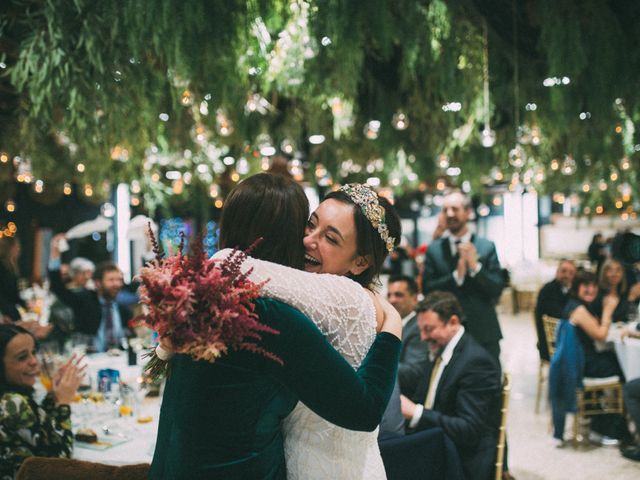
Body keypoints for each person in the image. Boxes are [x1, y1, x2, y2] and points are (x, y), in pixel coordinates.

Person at [150, 174, 402, 479]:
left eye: (330, 237)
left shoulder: (212, 300)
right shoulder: (262, 310)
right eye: (308, 225)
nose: (307, 240)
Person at [399, 291, 501, 480]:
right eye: (421, 330)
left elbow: (469, 430)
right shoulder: (440, 348)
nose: (422, 337)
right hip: (439, 441)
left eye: (428, 329)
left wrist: (415, 413)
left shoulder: (477, 363)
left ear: (453, 322)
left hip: (464, 458)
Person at [421, 190, 504, 361]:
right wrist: (455, 277)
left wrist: (475, 268)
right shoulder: (434, 250)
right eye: (445, 210)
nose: (449, 214)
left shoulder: (486, 247)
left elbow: (496, 289)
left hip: (483, 333)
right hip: (445, 333)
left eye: (455, 209)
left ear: (468, 212)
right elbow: (427, 289)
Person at [0, 324, 85, 478]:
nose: (34, 361)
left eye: (33, 352)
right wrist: (64, 403)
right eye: (22, 357)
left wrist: (54, 395)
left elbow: (42, 434)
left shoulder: (9, 397)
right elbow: (59, 461)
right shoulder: (12, 403)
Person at [49, 243, 131, 352]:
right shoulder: (84, 301)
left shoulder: (122, 308)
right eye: (111, 280)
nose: (117, 284)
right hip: (90, 358)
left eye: (119, 280)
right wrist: (55, 254)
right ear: (98, 283)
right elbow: (58, 288)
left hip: (118, 358)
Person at [387, 274, 429, 395]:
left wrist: (378, 361)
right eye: (389, 295)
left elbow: (412, 373)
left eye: (398, 295)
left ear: (415, 298)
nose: (392, 300)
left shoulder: (418, 327)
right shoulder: (393, 323)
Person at [534, 259, 576, 362]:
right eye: (564, 271)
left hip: (562, 340)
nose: (567, 275)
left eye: (571, 273)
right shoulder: (548, 290)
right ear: (557, 272)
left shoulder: (569, 290)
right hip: (551, 346)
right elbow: (560, 315)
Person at [596, 258, 640, 323]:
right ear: (604, 273)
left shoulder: (623, 292)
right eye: (610, 270)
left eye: (618, 270)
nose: (614, 274)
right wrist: (631, 298)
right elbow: (615, 318)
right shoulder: (598, 294)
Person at [0, 236, 27, 322]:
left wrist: (25, 305)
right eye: (17, 246)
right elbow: (6, 293)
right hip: (5, 311)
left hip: (9, 309)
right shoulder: (2, 267)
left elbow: (13, 293)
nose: (19, 249)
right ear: (10, 248)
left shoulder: (10, 265)